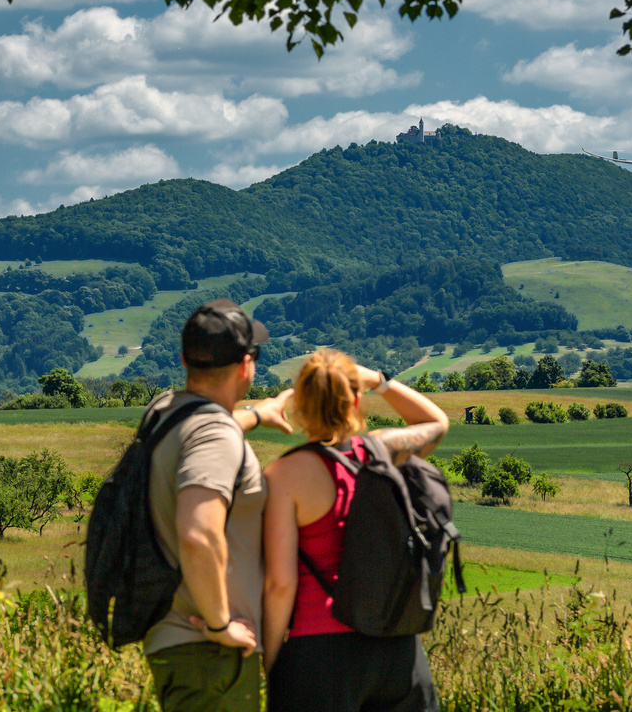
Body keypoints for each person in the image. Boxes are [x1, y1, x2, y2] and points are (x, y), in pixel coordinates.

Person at [261, 351, 450, 712]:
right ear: (356, 400)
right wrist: (379, 380)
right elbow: (436, 422)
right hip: (396, 646)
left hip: (318, 652)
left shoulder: (284, 476)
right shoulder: (382, 451)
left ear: (299, 404)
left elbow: (280, 585)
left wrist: (271, 662)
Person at [142, 298, 295, 712]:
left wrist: (256, 415)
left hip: (173, 642)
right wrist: (220, 625)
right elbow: (198, 534)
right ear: (246, 365)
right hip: (210, 652)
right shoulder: (215, 437)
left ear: (184, 358)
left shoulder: (163, 411)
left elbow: (210, 427)